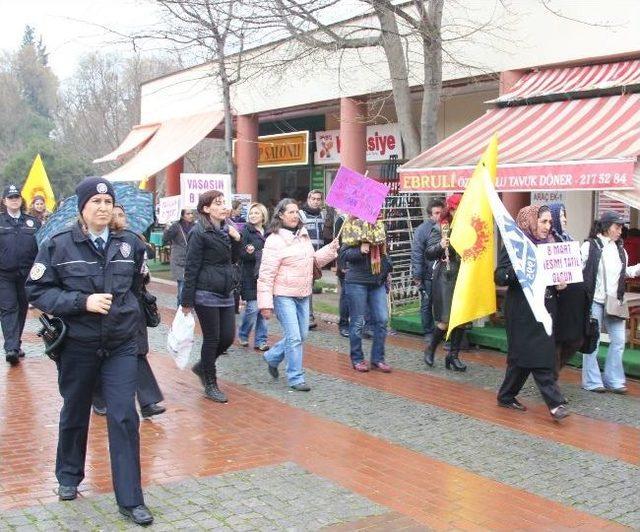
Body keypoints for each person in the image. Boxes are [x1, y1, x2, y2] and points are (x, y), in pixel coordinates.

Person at [25, 176, 154, 525]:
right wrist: (82, 301)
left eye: (107, 202)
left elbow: (137, 287)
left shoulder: (130, 244)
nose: (102, 207)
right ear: (82, 208)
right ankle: (68, 476)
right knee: (76, 410)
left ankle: (130, 499)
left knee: (124, 416)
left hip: (120, 344)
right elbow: (36, 291)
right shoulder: (58, 245)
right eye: (95, 203)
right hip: (78, 345)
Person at [495, 204, 569, 421]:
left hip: (545, 307)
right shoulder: (516, 245)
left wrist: (559, 284)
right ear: (530, 221)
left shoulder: (551, 244)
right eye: (543, 221)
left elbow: (553, 277)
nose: (548, 226)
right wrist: (520, 270)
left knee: (522, 358)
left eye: (549, 221)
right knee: (540, 355)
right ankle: (555, 404)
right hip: (522, 311)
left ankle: (506, 395)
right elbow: (499, 276)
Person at [92, 204, 165, 419]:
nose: (117, 217)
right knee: (99, 353)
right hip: (102, 306)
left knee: (136, 350)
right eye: (115, 214)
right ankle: (98, 397)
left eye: (121, 214)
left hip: (132, 305)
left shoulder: (133, 240)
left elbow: (142, 272)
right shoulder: (97, 243)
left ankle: (148, 400)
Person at [257, 198, 339, 391]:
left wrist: (330, 249)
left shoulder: (303, 235)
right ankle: (295, 377)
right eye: (291, 212)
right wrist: (265, 304)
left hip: (303, 293)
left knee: (301, 335)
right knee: (294, 337)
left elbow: (312, 261)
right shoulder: (274, 240)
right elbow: (266, 275)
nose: (295, 215)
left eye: (296, 212)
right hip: (284, 295)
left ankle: (273, 356)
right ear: (281, 215)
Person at [182, 190, 241, 403]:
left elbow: (234, 258)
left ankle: (201, 366)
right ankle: (210, 383)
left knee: (227, 337)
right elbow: (191, 266)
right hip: (205, 292)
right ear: (206, 209)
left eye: (224, 202)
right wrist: (186, 300)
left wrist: (236, 240)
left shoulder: (227, 229)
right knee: (212, 338)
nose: (223, 205)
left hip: (225, 290)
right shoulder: (199, 232)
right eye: (218, 203)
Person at [581, 210, 640, 394]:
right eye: (617, 226)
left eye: (621, 227)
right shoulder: (590, 246)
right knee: (594, 341)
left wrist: (637, 269)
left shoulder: (620, 249)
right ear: (607, 227)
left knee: (619, 341)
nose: (620, 230)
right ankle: (591, 381)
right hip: (595, 301)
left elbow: (625, 273)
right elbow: (579, 268)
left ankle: (613, 380)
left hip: (615, 301)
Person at [339, 217, 393, 372]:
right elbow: (343, 256)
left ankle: (378, 359)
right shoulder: (351, 226)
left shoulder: (380, 226)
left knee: (382, 319)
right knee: (357, 322)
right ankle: (357, 359)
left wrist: (387, 267)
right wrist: (360, 250)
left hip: (377, 281)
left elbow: (385, 252)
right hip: (357, 281)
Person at [423, 194, 467, 371]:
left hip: (463, 273)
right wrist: (441, 245)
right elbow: (429, 252)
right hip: (446, 275)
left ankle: (453, 356)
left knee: (462, 319)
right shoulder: (440, 227)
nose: (459, 212)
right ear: (451, 209)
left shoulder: (467, 226)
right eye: (457, 209)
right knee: (445, 319)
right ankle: (431, 349)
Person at [0, 184, 40, 365]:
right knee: (9, 308)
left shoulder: (32, 222)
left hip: (27, 273)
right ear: (4, 201)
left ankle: (16, 342)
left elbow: (41, 246)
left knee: (22, 308)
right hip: (4, 274)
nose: (14, 200)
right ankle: (11, 348)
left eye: (17, 197)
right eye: (10, 197)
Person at [549, 203, 588, 382]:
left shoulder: (568, 240)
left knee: (575, 340)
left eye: (565, 215)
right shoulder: (549, 242)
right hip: (557, 301)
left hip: (573, 303)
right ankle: (551, 380)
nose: (564, 219)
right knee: (557, 342)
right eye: (561, 216)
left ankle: (551, 374)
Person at [411, 198, 445, 354]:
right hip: (427, 273)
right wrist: (417, 275)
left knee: (441, 303)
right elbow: (417, 253)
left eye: (441, 212)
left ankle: (440, 331)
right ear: (430, 214)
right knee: (427, 303)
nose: (439, 215)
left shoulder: (446, 227)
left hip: (443, 273)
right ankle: (428, 332)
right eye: (436, 213)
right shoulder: (422, 230)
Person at [238, 202, 269, 351]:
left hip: (266, 275)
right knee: (252, 308)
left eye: (256, 213)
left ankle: (261, 341)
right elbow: (241, 253)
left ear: (263, 215)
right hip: (250, 275)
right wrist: (255, 252)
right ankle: (243, 333)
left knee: (264, 308)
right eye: (251, 213)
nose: (253, 215)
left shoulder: (269, 232)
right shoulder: (246, 231)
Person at [298, 189, 326, 329]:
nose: (315, 201)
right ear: (308, 199)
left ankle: (303, 314)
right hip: (304, 257)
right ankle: (308, 317)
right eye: (313, 198)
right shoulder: (301, 214)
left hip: (317, 258)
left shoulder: (323, 214)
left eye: (318, 199)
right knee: (307, 287)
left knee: (308, 287)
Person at [163, 208, 195, 306]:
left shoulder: (195, 226)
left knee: (189, 286)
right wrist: (167, 229)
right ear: (182, 215)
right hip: (179, 260)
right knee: (182, 285)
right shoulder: (176, 226)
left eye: (191, 213)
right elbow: (165, 239)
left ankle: (186, 306)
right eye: (188, 213)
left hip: (191, 259)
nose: (191, 215)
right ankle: (181, 309)